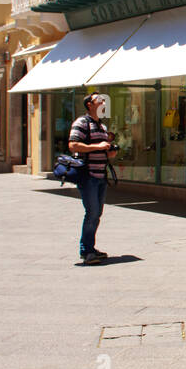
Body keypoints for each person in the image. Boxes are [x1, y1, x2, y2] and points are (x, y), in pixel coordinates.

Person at [68, 93, 114, 265]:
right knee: (92, 213)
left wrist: (109, 152)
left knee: (97, 213)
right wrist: (98, 146)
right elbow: (73, 145)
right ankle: (86, 251)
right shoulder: (81, 123)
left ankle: (90, 248)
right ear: (89, 104)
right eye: (99, 100)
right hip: (88, 176)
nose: (103, 102)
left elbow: (101, 149)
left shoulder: (101, 126)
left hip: (101, 175)